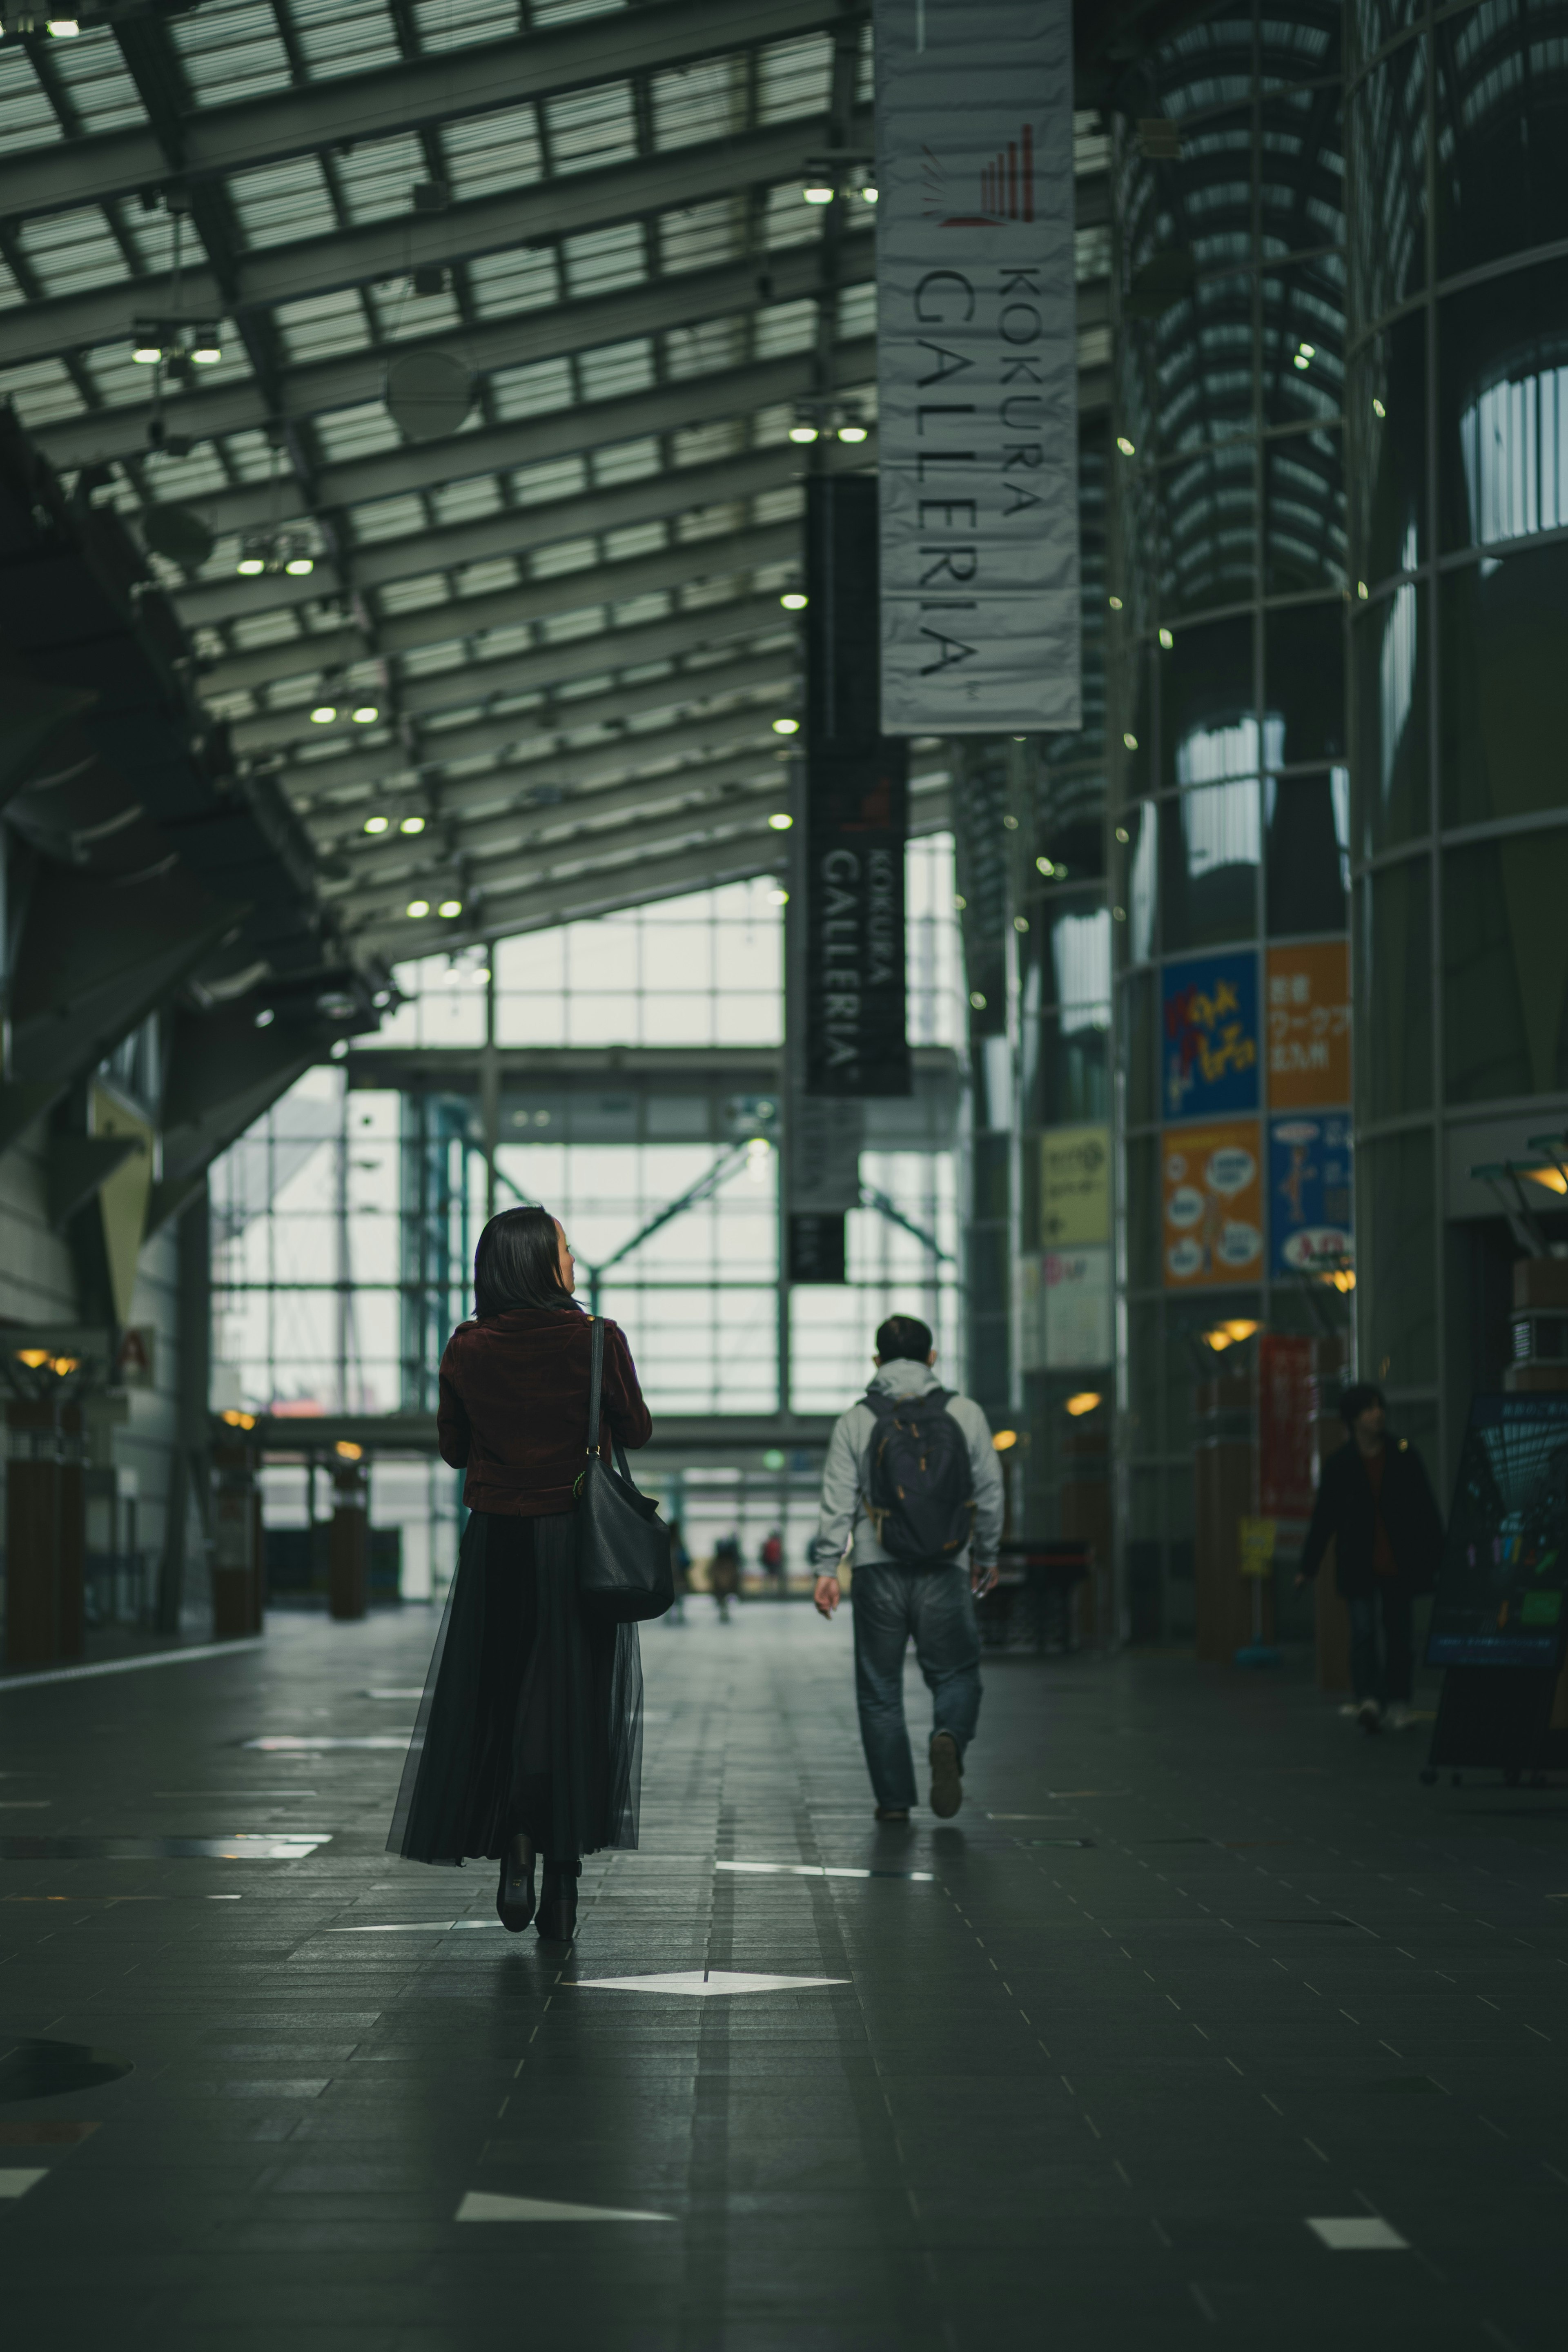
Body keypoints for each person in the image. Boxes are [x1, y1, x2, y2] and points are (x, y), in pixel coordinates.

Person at [387, 1205, 652, 1940]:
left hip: (498, 1543)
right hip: (578, 1547)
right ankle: (563, 1890)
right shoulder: (597, 1340)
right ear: (541, 1261)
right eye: (566, 1248)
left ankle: (516, 1852)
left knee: (500, 1697)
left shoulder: (468, 1346)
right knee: (571, 1706)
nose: (574, 1258)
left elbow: (452, 1449)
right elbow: (636, 1430)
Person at [811, 1314, 1003, 1821]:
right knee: (957, 1672)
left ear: (876, 1362)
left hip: (878, 1567)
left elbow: (838, 1500)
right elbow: (989, 1491)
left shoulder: (857, 1418)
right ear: (932, 1358)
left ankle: (895, 1803)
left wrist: (828, 1567)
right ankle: (948, 1736)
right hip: (946, 1563)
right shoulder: (965, 1413)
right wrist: (986, 1554)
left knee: (880, 1688)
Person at [1296, 1380, 1443, 1733]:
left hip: (1398, 1560)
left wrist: (1441, 1553)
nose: (1377, 1415)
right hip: (1360, 1561)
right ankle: (1370, 1699)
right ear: (1353, 1419)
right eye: (1368, 1409)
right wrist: (1308, 1567)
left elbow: (1425, 1509)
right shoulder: (1340, 1464)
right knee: (1363, 1633)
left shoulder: (1403, 1455)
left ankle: (1398, 1702)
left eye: (1379, 1407)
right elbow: (1324, 1519)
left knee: (1398, 1635)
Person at [710, 1534, 741, 1621]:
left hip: (720, 1585)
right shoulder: (731, 1563)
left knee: (722, 1597)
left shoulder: (718, 1562)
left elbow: (712, 1572)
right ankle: (725, 1609)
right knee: (725, 1596)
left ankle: (723, 1609)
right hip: (727, 1585)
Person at [760, 1527, 784, 1597]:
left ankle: (768, 1589)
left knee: (769, 1575)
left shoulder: (768, 1543)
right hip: (775, 1562)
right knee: (774, 1576)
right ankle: (774, 1589)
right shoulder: (777, 1543)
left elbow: (764, 1553)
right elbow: (779, 1554)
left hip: (769, 1562)